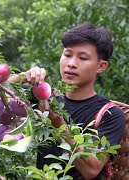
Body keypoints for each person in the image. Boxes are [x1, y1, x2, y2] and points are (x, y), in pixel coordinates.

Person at [25, 23, 126, 179]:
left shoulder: (110, 114)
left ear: (101, 66)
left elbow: (91, 169)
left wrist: (57, 123)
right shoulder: (45, 97)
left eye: (83, 58)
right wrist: (24, 77)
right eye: (67, 55)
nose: (71, 63)